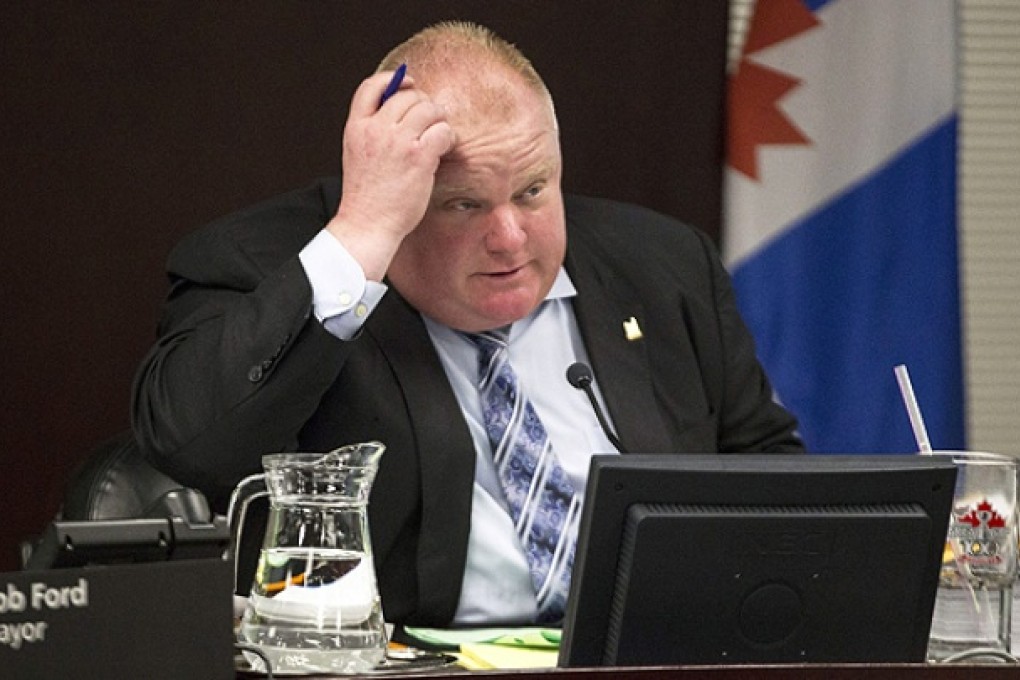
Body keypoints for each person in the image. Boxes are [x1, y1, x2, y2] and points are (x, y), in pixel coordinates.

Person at [131, 21, 803, 628]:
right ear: (394, 189)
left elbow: (770, 473)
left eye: (533, 190)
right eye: (463, 204)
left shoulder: (662, 265)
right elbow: (191, 445)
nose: (509, 237)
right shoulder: (268, 267)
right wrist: (363, 235)